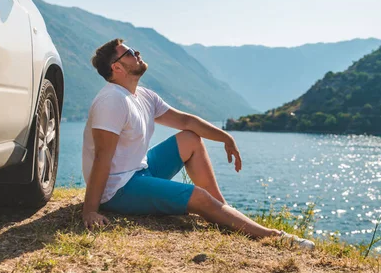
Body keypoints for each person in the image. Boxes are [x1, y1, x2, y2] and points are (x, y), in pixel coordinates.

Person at [81, 38, 314, 249]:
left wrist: (226, 137)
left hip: (140, 170)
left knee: (190, 138)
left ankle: (223, 212)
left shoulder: (142, 95)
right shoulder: (112, 100)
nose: (137, 52)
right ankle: (273, 236)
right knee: (199, 197)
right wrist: (90, 210)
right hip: (118, 188)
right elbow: (103, 157)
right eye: (130, 52)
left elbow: (185, 121)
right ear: (117, 68)